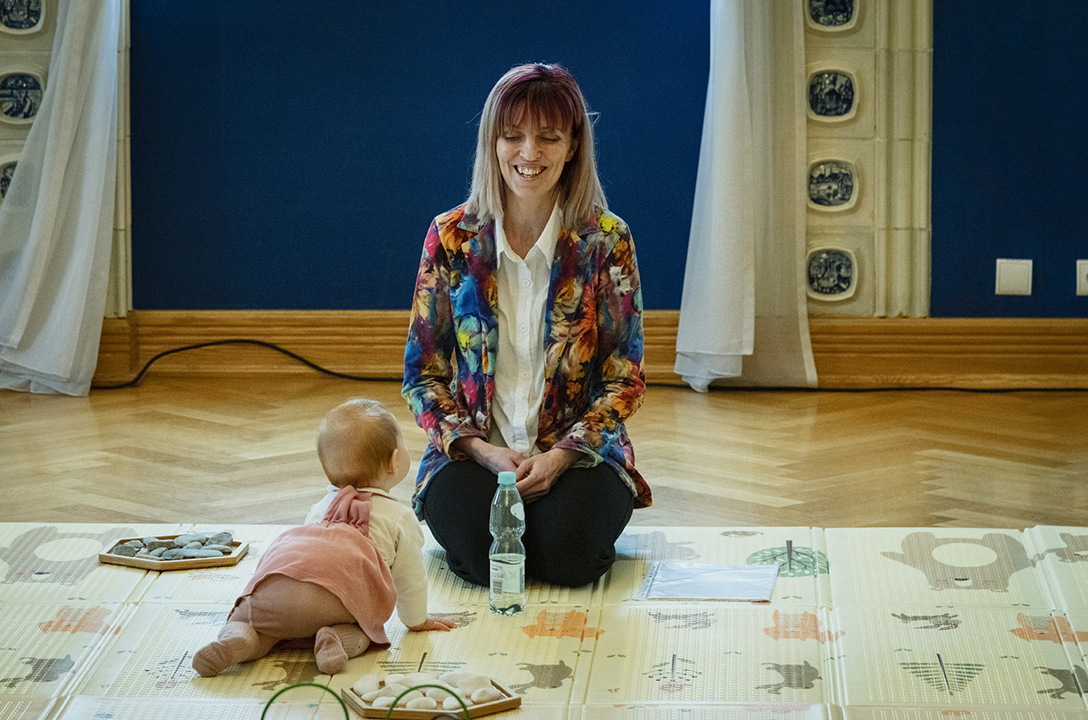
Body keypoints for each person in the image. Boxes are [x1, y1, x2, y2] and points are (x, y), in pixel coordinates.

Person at [402, 63, 651, 589]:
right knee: (482, 558)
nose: (529, 153)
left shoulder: (607, 241)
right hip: (474, 452)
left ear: (573, 145)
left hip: (577, 453)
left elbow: (624, 380)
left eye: (548, 138)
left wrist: (560, 458)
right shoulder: (449, 237)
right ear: (492, 142)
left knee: (569, 559)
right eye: (512, 136)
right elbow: (423, 376)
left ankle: (553, 524)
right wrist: (481, 450)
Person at [192, 398, 454, 678]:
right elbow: (410, 579)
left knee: (258, 627)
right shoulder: (399, 517)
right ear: (394, 461)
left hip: (276, 586)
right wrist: (416, 621)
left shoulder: (319, 507)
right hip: (337, 599)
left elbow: (313, 557)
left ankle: (238, 639)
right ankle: (334, 639)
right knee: (364, 632)